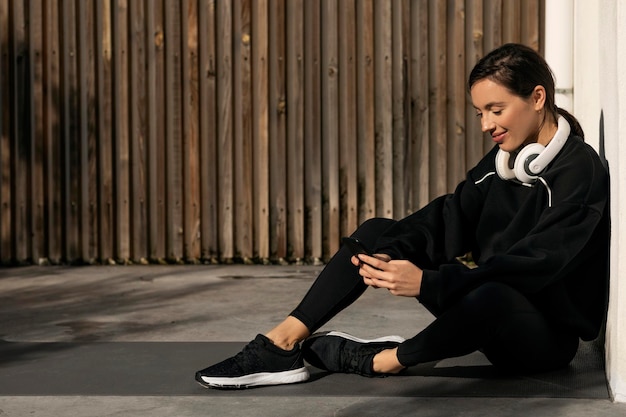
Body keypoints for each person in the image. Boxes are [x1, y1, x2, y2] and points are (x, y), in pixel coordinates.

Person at [195, 43, 610, 389]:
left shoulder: (579, 172)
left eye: (496, 110)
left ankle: (385, 360)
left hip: (541, 339)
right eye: (480, 112)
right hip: (485, 308)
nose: (486, 124)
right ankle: (281, 344)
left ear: (537, 98)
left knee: (493, 295)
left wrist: (428, 282)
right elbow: (451, 215)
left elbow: (536, 266)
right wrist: (390, 252)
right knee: (377, 232)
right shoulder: (507, 159)